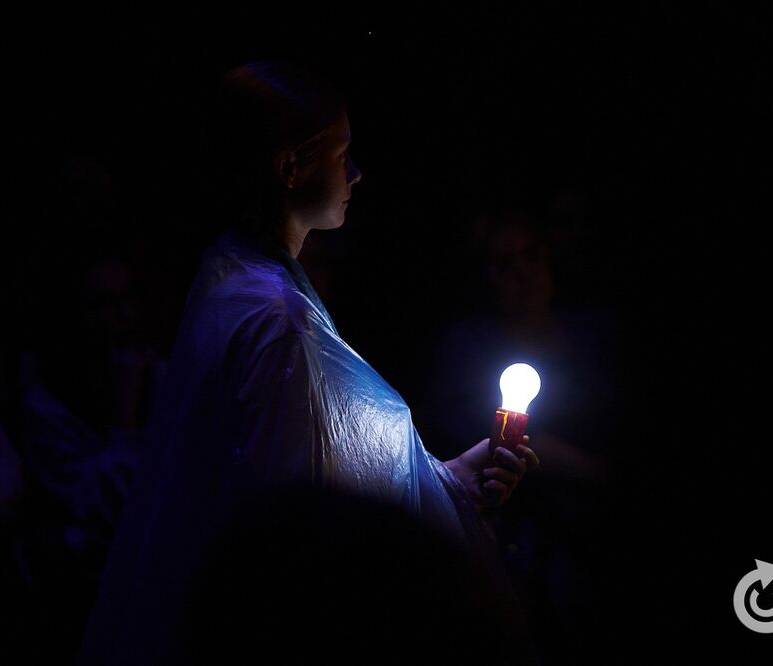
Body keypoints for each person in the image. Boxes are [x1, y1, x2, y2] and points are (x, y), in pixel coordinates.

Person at [76, 60, 541, 665]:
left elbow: (327, 468)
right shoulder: (275, 321)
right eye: (339, 153)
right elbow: (293, 526)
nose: (355, 171)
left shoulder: (235, 277)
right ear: (290, 166)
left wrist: (446, 483)